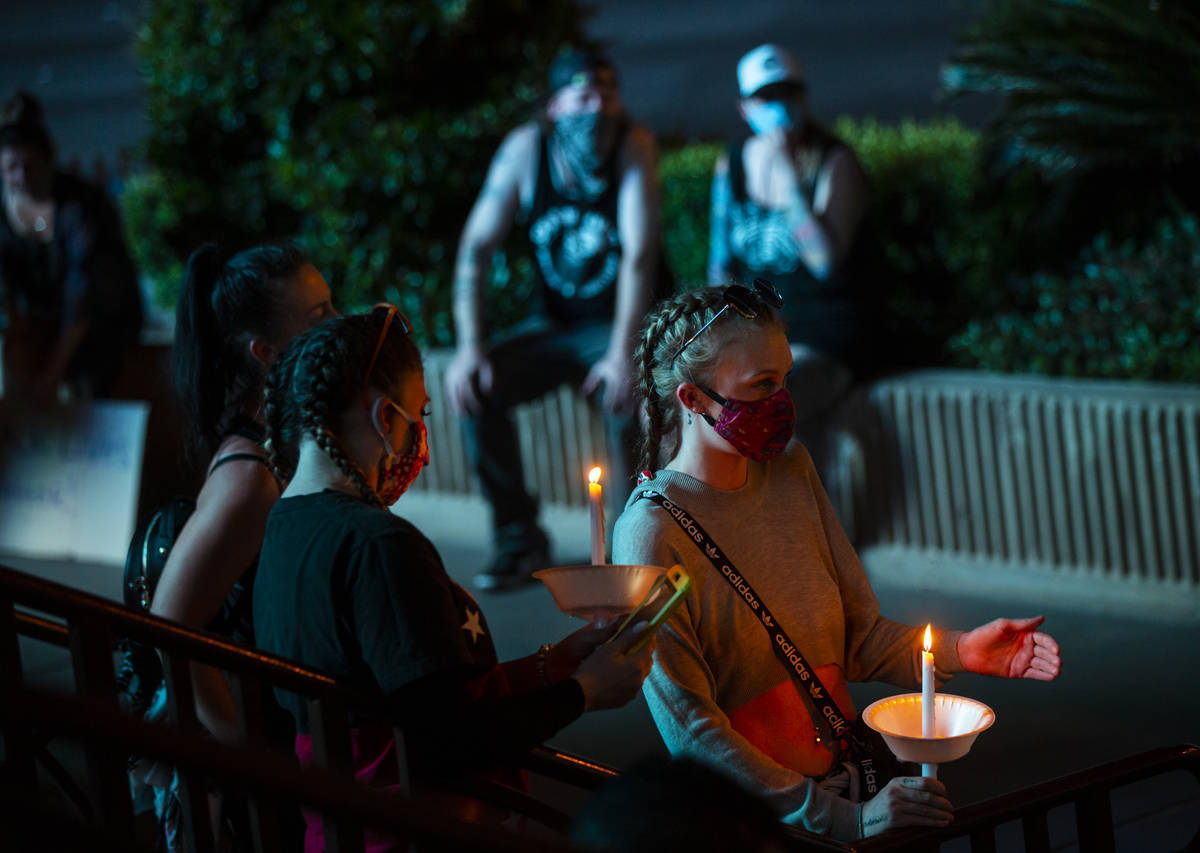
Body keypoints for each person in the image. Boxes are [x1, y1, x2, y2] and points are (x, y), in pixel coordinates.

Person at [612, 283, 1063, 842]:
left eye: (785, 379)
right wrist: (840, 820)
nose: (781, 402)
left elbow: (857, 637)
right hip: (760, 826)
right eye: (761, 385)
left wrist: (962, 649)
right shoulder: (649, 533)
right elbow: (692, 732)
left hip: (856, 783)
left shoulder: (792, 471)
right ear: (693, 399)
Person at [254, 308, 655, 852]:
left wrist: (546, 667)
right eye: (418, 415)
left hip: (337, 828)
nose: (421, 440)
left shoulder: (282, 526)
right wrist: (581, 693)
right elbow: (447, 741)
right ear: (382, 418)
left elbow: (415, 694)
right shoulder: (378, 546)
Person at [135, 242, 336, 850]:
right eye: (318, 317)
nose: (338, 325)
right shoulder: (248, 480)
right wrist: (249, 757)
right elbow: (170, 627)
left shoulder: (280, 442)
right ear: (266, 353)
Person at [446, 46, 669, 591]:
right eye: (585, 96)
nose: (599, 108)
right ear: (554, 105)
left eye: (609, 95)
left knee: (630, 398)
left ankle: (632, 552)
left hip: (623, 324)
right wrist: (469, 347)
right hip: (558, 326)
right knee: (480, 386)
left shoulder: (632, 145)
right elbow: (476, 247)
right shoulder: (527, 149)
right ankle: (519, 540)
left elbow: (640, 253)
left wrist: (623, 355)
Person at [707, 45, 876, 452]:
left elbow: (822, 261)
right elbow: (720, 265)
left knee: (771, 402)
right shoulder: (732, 165)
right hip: (759, 333)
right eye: (766, 97)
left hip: (822, 335)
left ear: (803, 97)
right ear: (745, 108)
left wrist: (786, 174)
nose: (778, 107)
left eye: (788, 93)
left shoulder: (833, 162)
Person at [0, 90, 143, 400]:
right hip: (41, 327)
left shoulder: (82, 207)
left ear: (48, 160)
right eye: (11, 168)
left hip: (99, 328)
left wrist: (52, 374)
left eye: (30, 166)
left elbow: (85, 294)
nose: (21, 177)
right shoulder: (3, 214)